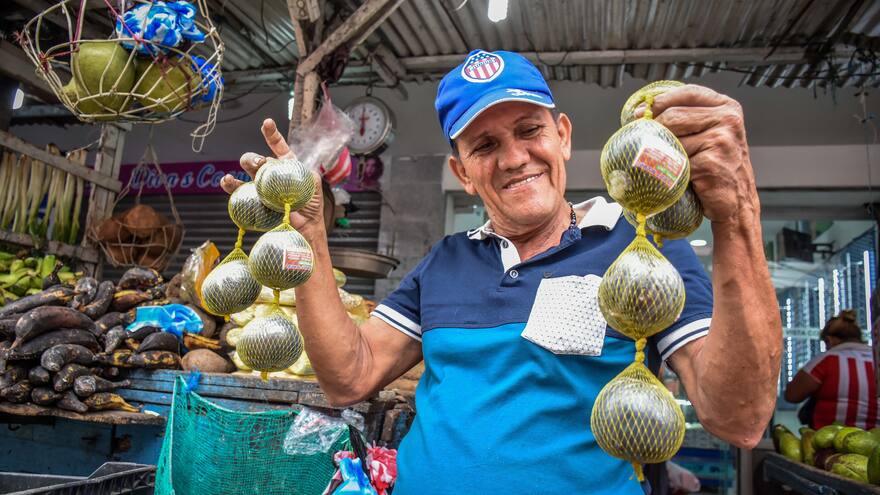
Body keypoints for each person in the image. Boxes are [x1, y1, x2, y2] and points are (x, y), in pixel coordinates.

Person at [222, 49, 781, 494]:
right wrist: (312, 235)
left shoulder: (640, 250)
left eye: (530, 131)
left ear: (562, 136)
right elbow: (348, 377)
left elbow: (738, 419)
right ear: (462, 172)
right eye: (485, 145)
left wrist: (737, 216)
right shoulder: (446, 260)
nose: (514, 158)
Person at [785, 310, 879, 430]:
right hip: (874, 441)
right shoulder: (876, 360)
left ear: (830, 340)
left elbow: (792, 395)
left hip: (830, 442)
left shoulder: (827, 360)